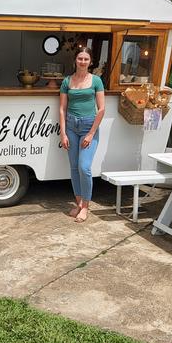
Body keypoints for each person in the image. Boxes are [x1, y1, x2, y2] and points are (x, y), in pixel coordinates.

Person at [59, 47, 105, 223]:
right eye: (80, 58)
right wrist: (63, 133)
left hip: (88, 127)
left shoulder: (96, 81)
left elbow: (101, 109)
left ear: (90, 62)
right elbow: (62, 109)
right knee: (73, 167)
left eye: (86, 59)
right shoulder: (67, 81)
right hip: (71, 126)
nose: (83, 62)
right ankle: (79, 203)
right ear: (75, 60)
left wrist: (91, 133)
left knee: (84, 167)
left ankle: (86, 206)